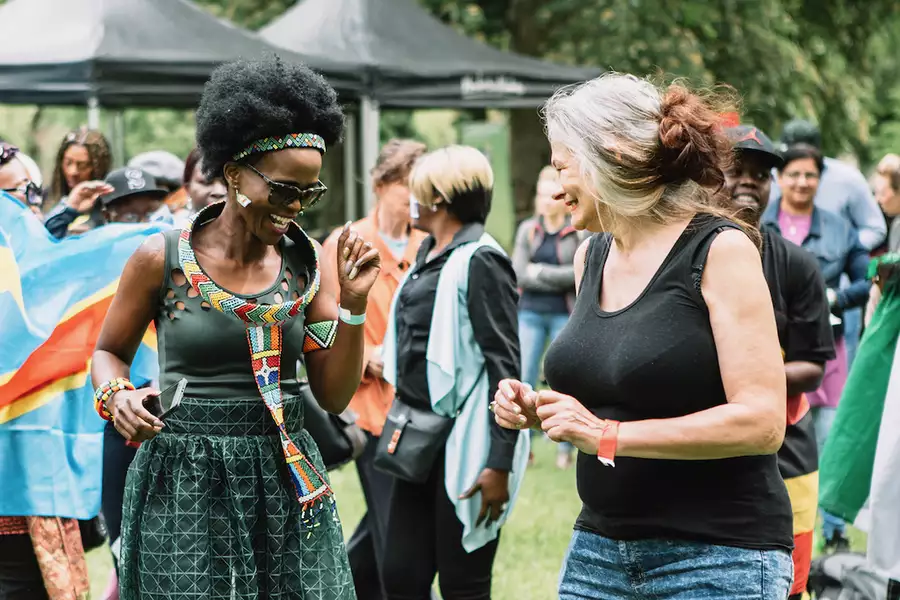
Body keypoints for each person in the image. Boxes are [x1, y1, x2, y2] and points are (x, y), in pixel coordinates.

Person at [492, 73, 794, 599]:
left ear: (612, 157)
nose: (556, 189)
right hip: (599, 551)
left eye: (563, 167)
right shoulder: (591, 257)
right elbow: (621, 388)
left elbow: (762, 422)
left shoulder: (720, 250)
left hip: (719, 556)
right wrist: (545, 410)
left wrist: (607, 436)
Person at [90, 57, 379, 600]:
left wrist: (354, 306)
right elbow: (108, 352)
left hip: (280, 477)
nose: (294, 207)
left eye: (309, 193)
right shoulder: (161, 258)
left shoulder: (307, 267)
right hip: (183, 476)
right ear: (232, 173)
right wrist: (117, 395)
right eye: (283, 189)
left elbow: (334, 395)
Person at [379, 145, 529, 600]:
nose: (410, 201)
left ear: (439, 199)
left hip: (467, 441)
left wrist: (498, 464)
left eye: (417, 191)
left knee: (463, 584)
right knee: (400, 576)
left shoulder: (482, 259)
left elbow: (506, 368)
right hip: (417, 434)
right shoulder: (428, 252)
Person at [724, 124, 836, 599]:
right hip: (710, 450)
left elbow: (812, 365)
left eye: (760, 174)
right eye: (737, 170)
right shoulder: (681, 258)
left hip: (787, 449)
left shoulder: (797, 265)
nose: (749, 182)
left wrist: (743, 381)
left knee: (789, 583)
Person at [322, 138, 427, 600]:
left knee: (394, 520)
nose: (415, 197)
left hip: (421, 409)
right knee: (395, 527)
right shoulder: (345, 243)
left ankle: (344, 587)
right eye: (407, 185)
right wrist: (368, 359)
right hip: (369, 408)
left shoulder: (429, 243)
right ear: (381, 184)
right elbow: (324, 321)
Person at [762, 143, 871, 552]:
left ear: (820, 180)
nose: (802, 182)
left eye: (810, 175)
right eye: (793, 174)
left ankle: (833, 530)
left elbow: (867, 278)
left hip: (828, 350)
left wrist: (837, 299)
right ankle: (778, 524)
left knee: (827, 437)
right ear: (780, 179)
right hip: (775, 353)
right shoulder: (759, 222)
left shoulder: (840, 228)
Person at [0, 146, 92, 600]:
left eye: (30, 193)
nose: (27, 207)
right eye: (17, 197)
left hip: (32, 499)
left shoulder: (38, 276)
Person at [511, 165, 581, 469]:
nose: (545, 201)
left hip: (564, 315)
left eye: (550, 196)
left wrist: (538, 272)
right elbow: (518, 273)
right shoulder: (528, 230)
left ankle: (565, 448)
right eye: (540, 195)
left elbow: (576, 273)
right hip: (529, 314)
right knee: (524, 378)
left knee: (563, 380)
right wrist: (550, 276)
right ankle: (524, 448)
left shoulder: (576, 230)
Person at [43, 127, 113, 236]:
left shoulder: (112, 202)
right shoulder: (44, 198)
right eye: (68, 163)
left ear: (99, 167)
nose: (73, 172)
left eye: (82, 165)